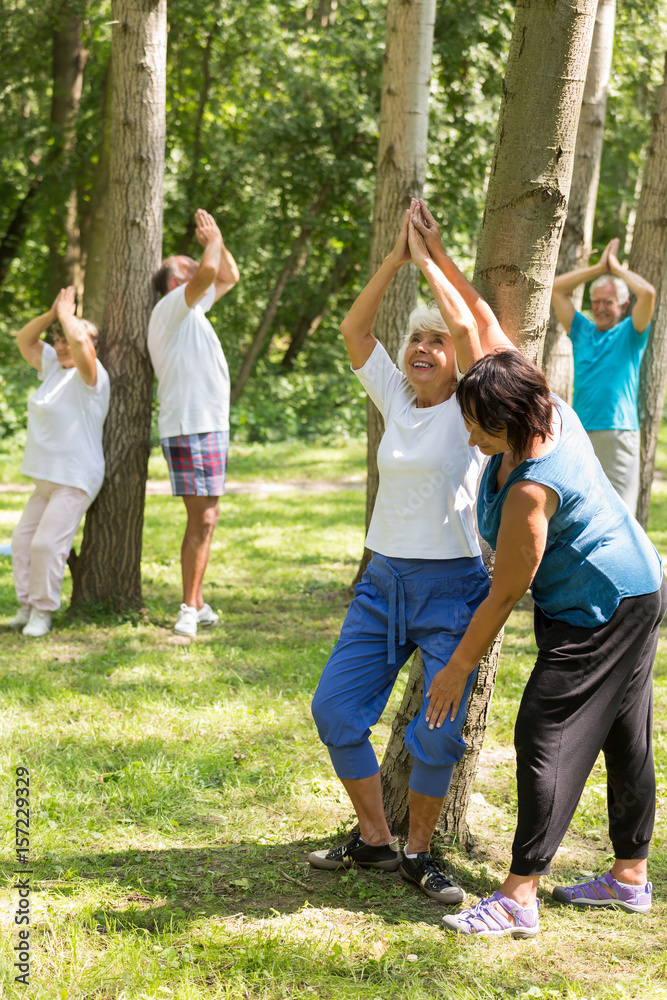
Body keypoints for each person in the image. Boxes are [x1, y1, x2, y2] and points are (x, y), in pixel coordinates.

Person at [309, 200, 514, 904]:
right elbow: (352, 328)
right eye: (415, 342)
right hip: (381, 579)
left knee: (434, 737)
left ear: (456, 359)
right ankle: (373, 839)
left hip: (451, 587)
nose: (424, 350)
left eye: (436, 343)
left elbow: (471, 329)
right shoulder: (396, 398)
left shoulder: (474, 409)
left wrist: (430, 261)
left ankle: (419, 853)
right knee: (335, 712)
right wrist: (396, 260)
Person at [424, 349, 666, 937]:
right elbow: (478, 328)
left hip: (604, 607)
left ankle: (518, 895)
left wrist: (457, 669)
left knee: (544, 729)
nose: (472, 433)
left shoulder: (533, 488)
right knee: (623, 731)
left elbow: (506, 593)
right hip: (638, 584)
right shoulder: (545, 405)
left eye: (482, 425)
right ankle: (630, 877)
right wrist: (431, 260)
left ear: (515, 419)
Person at [148, 208, 239, 637]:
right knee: (202, 519)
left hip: (207, 424)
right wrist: (211, 243)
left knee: (208, 517)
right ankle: (188, 607)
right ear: (174, 282)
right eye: (189, 268)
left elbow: (227, 277)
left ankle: (197, 603)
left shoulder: (192, 314)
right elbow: (209, 270)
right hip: (191, 424)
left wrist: (218, 241)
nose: (203, 267)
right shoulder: (170, 308)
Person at [9, 287, 110, 637]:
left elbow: (82, 345)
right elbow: (24, 338)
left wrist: (69, 318)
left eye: (68, 338)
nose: (63, 344)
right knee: (22, 542)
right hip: (46, 478)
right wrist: (54, 314)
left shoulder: (91, 376)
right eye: (59, 339)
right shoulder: (52, 367)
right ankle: (26, 605)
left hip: (75, 477)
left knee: (46, 545)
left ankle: (43, 611)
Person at [551, 238, 655, 515]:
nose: (599, 307)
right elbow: (557, 289)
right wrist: (598, 269)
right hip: (580, 431)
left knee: (620, 512)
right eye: (595, 301)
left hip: (617, 432)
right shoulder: (582, 330)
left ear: (623, 306)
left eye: (607, 302)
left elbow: (648, 293)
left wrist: (617, 270)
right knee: (584, 509)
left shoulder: (631, 333)